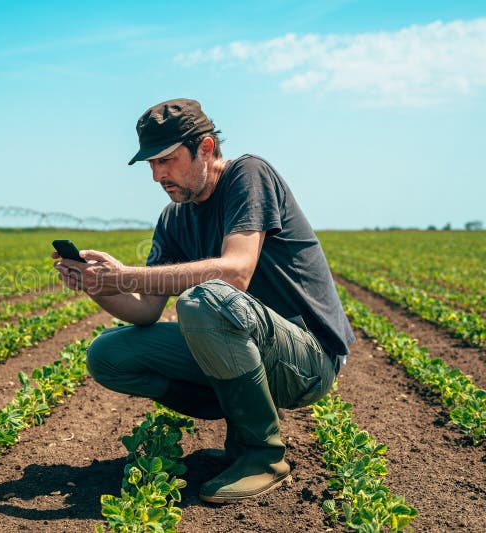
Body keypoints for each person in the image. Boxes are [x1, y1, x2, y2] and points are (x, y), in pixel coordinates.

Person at [52, 98, 355, 503]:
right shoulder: (173, 218)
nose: (158, 175)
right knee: (108, 354)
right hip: (251, 347)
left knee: (203, 300)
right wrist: (97, 284)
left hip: (307, 359)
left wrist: (124, 274)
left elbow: (236, 272)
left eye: (167, 160)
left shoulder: (249, 176)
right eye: (151, 165)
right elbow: (144, 309)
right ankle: (235, 423)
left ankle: (263, 455)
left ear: (206, 149)